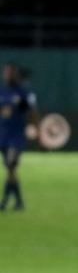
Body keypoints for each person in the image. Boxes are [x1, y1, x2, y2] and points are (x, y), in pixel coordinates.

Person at [0, 63, 38, 211]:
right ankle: (19, 202)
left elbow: (31, 113)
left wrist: (37, 130)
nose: (8, 75)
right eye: (6, 72)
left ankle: (4, 202)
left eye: (10, 72)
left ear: (16, 75)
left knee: (10, 165)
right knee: (11, 171)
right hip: (3, 136)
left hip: (16, 137)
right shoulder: (3, 92)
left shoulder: (22, 94)